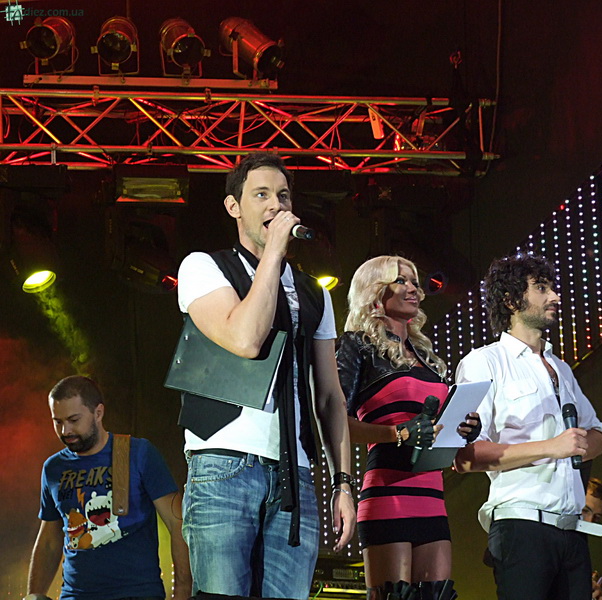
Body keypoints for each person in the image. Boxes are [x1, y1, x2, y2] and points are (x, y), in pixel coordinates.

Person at [175, 152, 355, 599]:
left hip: (295, 470)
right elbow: (245, 338)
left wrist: (343, 483)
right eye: (261, 195)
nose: (276, 204)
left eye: (283, 196)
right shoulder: (203, 267)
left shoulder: (314, 292)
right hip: (224, 462)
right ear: (233, 206)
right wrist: (273, 253)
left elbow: (329, 397)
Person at [453, 252, 602, 600]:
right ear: (511, 301)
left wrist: (580, 444)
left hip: (572, 531)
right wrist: (552, 447)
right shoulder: (484, 362)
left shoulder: (562, 369)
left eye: (552, 287)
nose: (555, 296)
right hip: (521, 526)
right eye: (541, 288)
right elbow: (465, 456)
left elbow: (599, 435)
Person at [335, 255, 481, 600]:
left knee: (437, 595)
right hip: (389, 493)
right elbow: (334, 423)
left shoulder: (427, 358)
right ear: (375, 290)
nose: (413, 288)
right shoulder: (357, 346)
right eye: (400, 280)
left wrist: (463, 428)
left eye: (415, 281)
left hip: (432, 496)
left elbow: (434, 428)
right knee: (394, 596)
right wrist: (396, 433)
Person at [27, 375, 191, 600]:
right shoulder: (53, 468)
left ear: (98, 413)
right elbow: (48, 541)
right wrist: (33, 596)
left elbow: (178, 523)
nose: (65, 431)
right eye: (58, 421)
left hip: (136, 595)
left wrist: (182, 592)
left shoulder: (139, 453)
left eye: (74, 420)